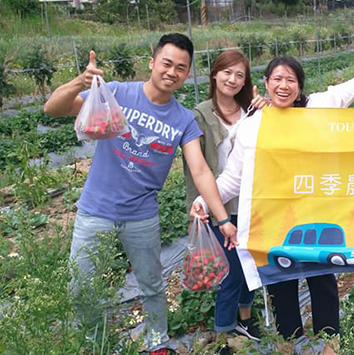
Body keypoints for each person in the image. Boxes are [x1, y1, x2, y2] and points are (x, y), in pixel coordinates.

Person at [190, 49, 354, 354]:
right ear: (266, 83)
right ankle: (288, 341)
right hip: (272, 218)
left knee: (322, 279)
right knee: (279, 281)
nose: (283, 86)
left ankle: (330, 343)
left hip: (315, 215)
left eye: (291, 80)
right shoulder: (254, 125)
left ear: (300, 85)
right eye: (277, 79)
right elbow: (233, 179)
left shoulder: (317, 107)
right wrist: (204, 201)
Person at [44, 33, 237, 355]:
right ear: (152, 63)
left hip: (141, 217)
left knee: (151, 285)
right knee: (81, 287)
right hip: (95, 211)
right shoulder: (117, 93)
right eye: (166, 63)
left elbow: (201, 170)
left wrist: (222, 219)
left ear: (187, 74)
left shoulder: (183, 119)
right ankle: (95, 344)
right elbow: (54, 108)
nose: (172, 72)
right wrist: (80, 82)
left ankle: (157, 343)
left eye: (181, 67)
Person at [182, 50, 268, 354]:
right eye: (227, 72)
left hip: (251, 204)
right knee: (232, 273)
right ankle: (223, 333)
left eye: (240, 75)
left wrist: (267, 107)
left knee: (251, 267)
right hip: (218, 208)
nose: (232, 79)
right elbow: (198, 168)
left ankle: (245, 318)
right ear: (214, 75)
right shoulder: (199, 114)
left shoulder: (253, 110)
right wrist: (203, 204)